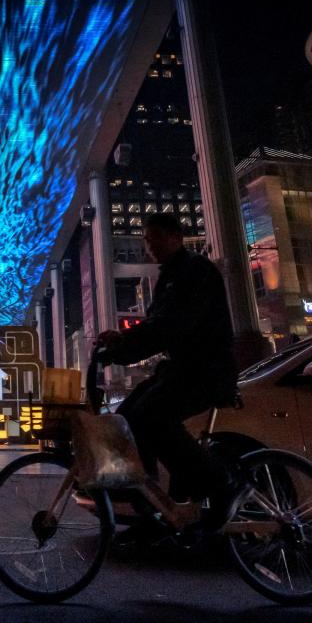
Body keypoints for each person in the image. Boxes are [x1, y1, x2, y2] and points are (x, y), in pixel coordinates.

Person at [96, 213, 238, 542]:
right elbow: (157, 330)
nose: (150, 245)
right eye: (146, 239)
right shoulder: (171, 276)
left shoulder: (194, 271)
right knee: (127, 418)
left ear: (176, 236)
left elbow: (170, 326)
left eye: (155, 236)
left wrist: (123, 345)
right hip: (183, 369)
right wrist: (119, 348)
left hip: (207, 370)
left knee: (152, 417)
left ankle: (221, 483)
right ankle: (151, 506)